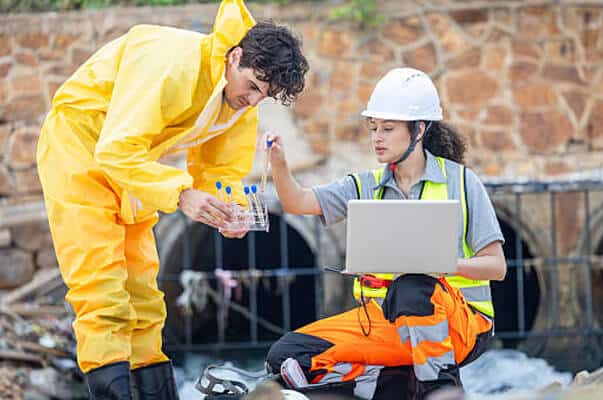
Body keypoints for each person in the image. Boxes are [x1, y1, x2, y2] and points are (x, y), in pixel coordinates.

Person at [35, 0, 309, 398]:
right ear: (235, 57)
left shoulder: (237, 103)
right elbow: (114, 148)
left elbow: (219, 173)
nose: (252, 101)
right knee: (102, 287)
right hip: (80, 149)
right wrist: (181, 194)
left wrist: (224, 212)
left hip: (135, 164)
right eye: (252, 87)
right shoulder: (174, 64)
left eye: (263, 96)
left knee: (144, 290)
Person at [264, 68, 506, 400]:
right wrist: (279, 164)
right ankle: (387, 384)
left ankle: (442, 391)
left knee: (412, 286)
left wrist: (445, 264)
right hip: (385, 324)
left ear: (419, 129)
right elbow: (298, 201)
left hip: (461, 326)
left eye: (388, 129)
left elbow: (496, 266)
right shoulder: (364, 186)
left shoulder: (462, 183)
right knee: (286, 355)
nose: (377, 137)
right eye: (374, 128)